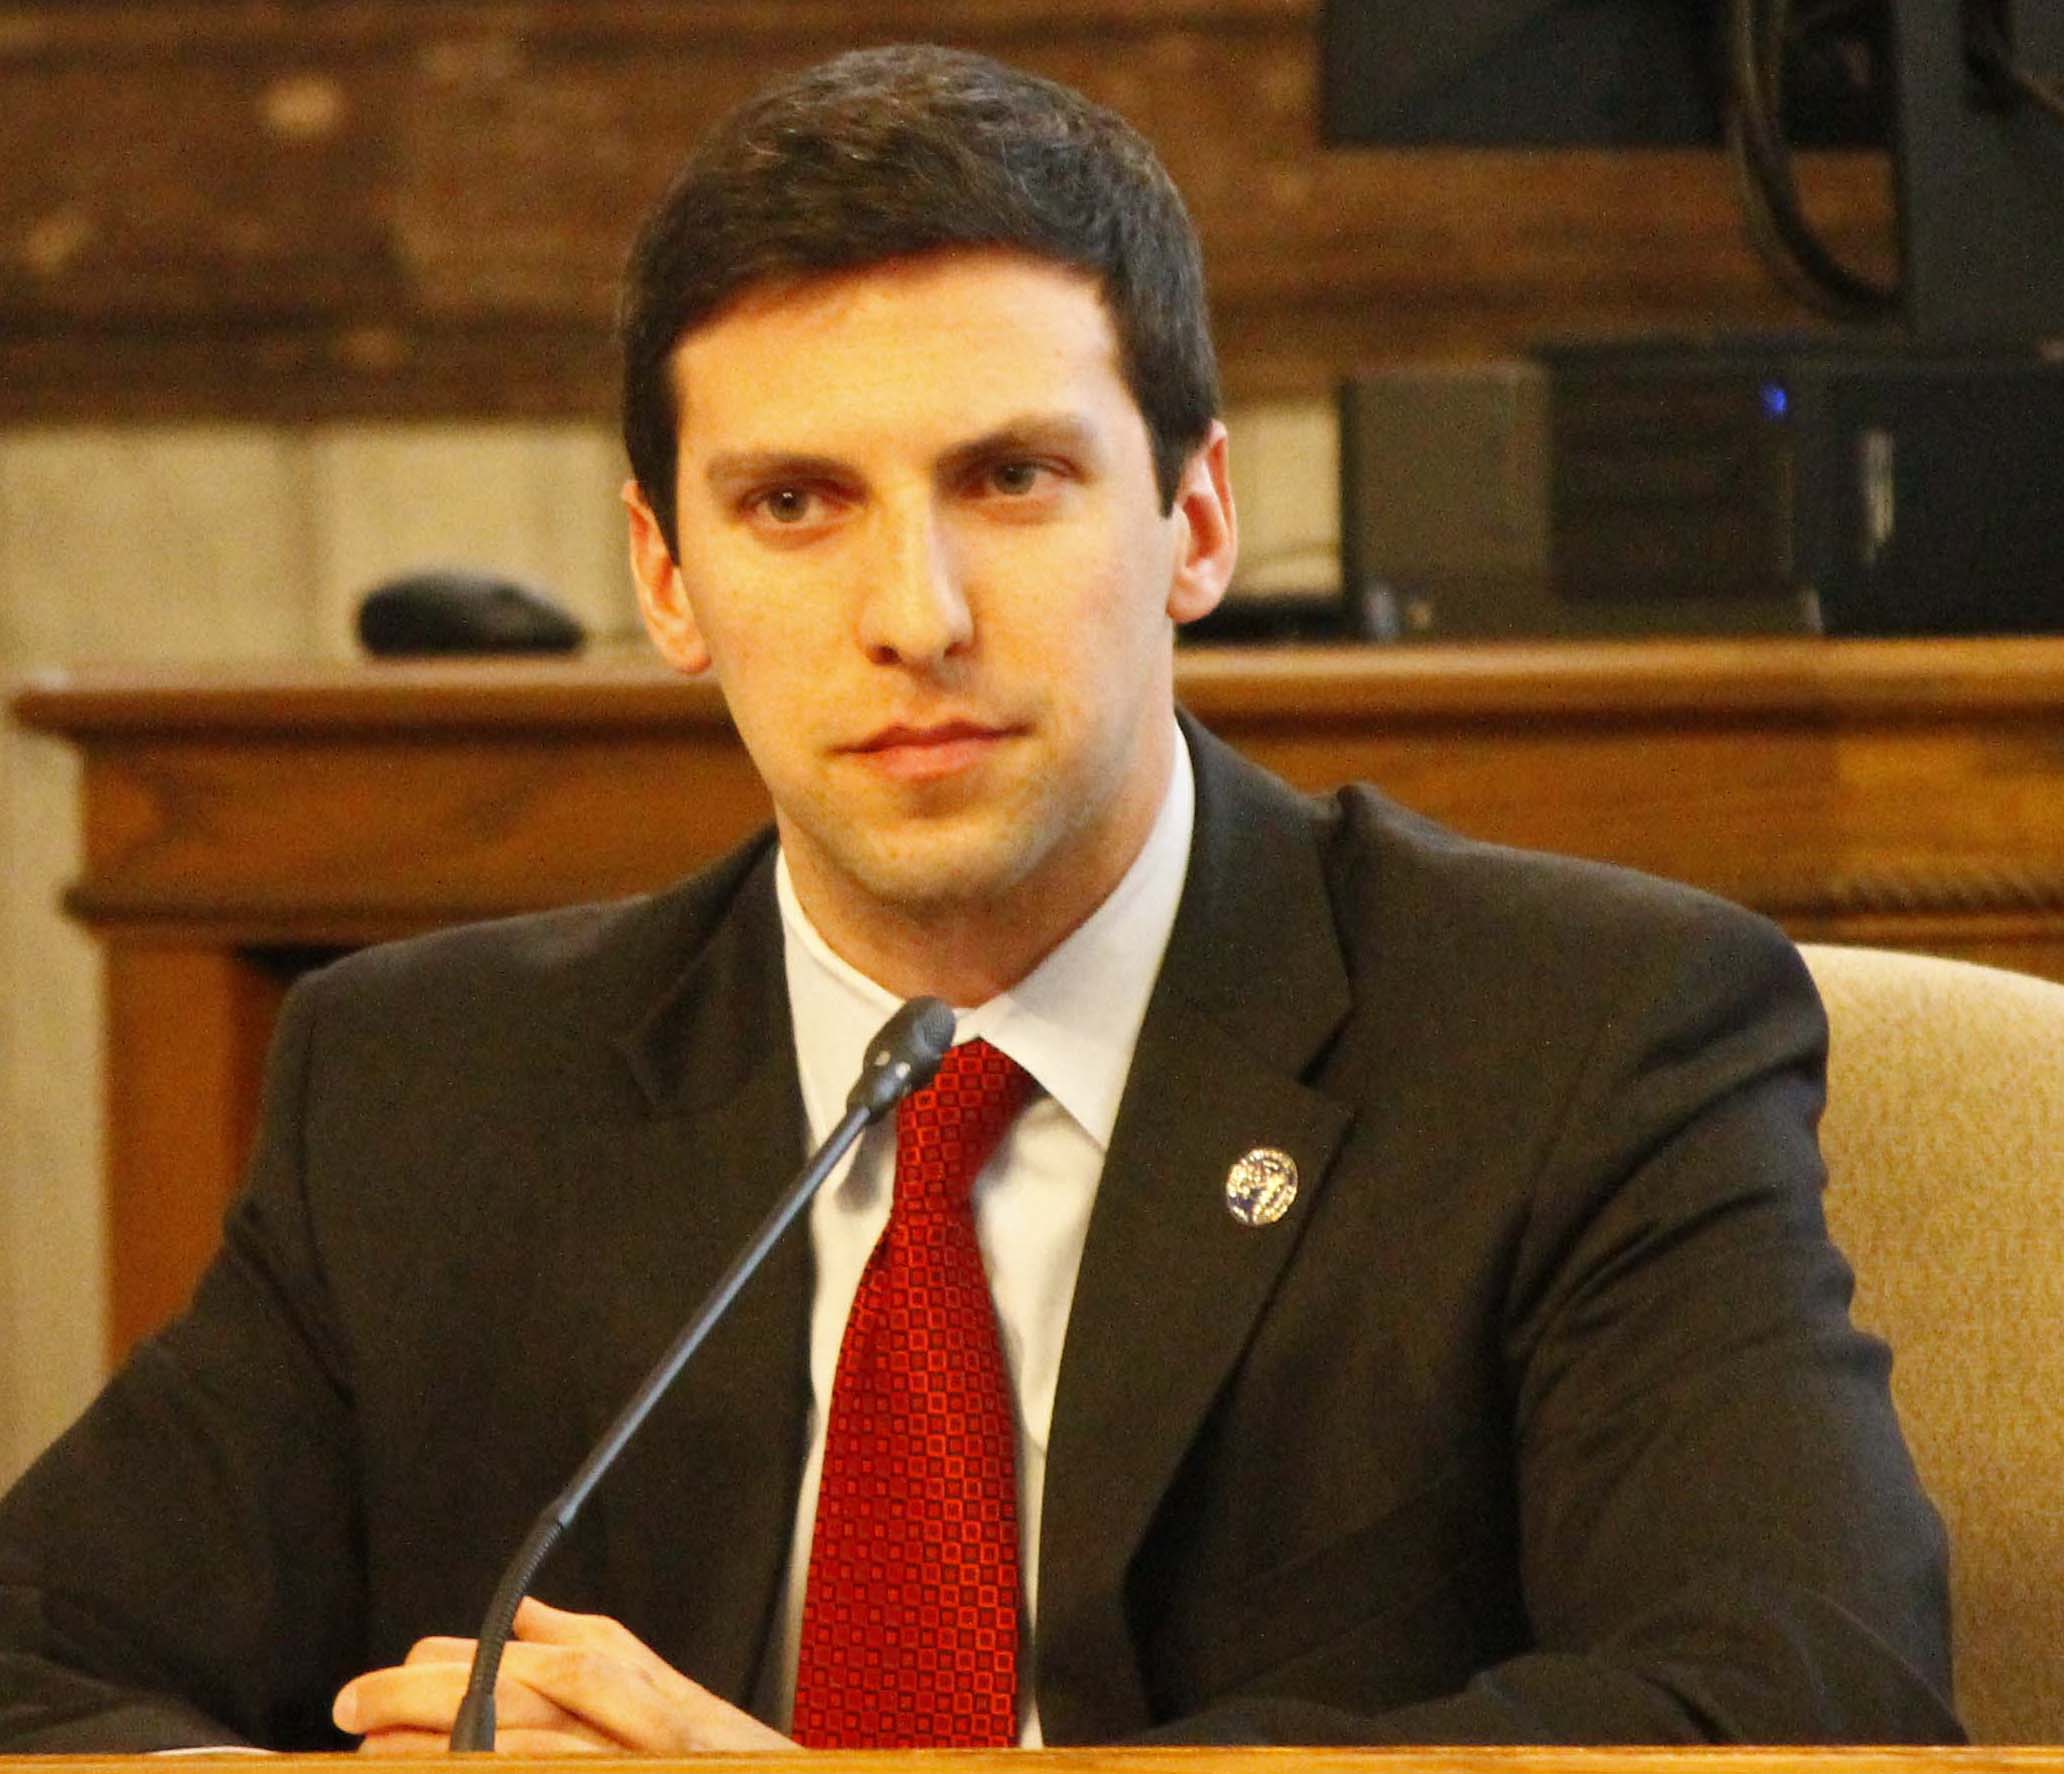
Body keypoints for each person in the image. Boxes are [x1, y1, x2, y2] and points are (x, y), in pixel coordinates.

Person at [0, 44, 1958, 1754]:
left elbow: (1805, 1702)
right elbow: (36, 1661)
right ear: (667, 578)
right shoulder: (431, 1093)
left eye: (1011, 478)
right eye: (793, 504)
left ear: (1195, 520)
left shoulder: (1579, 1034)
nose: (912, 614)